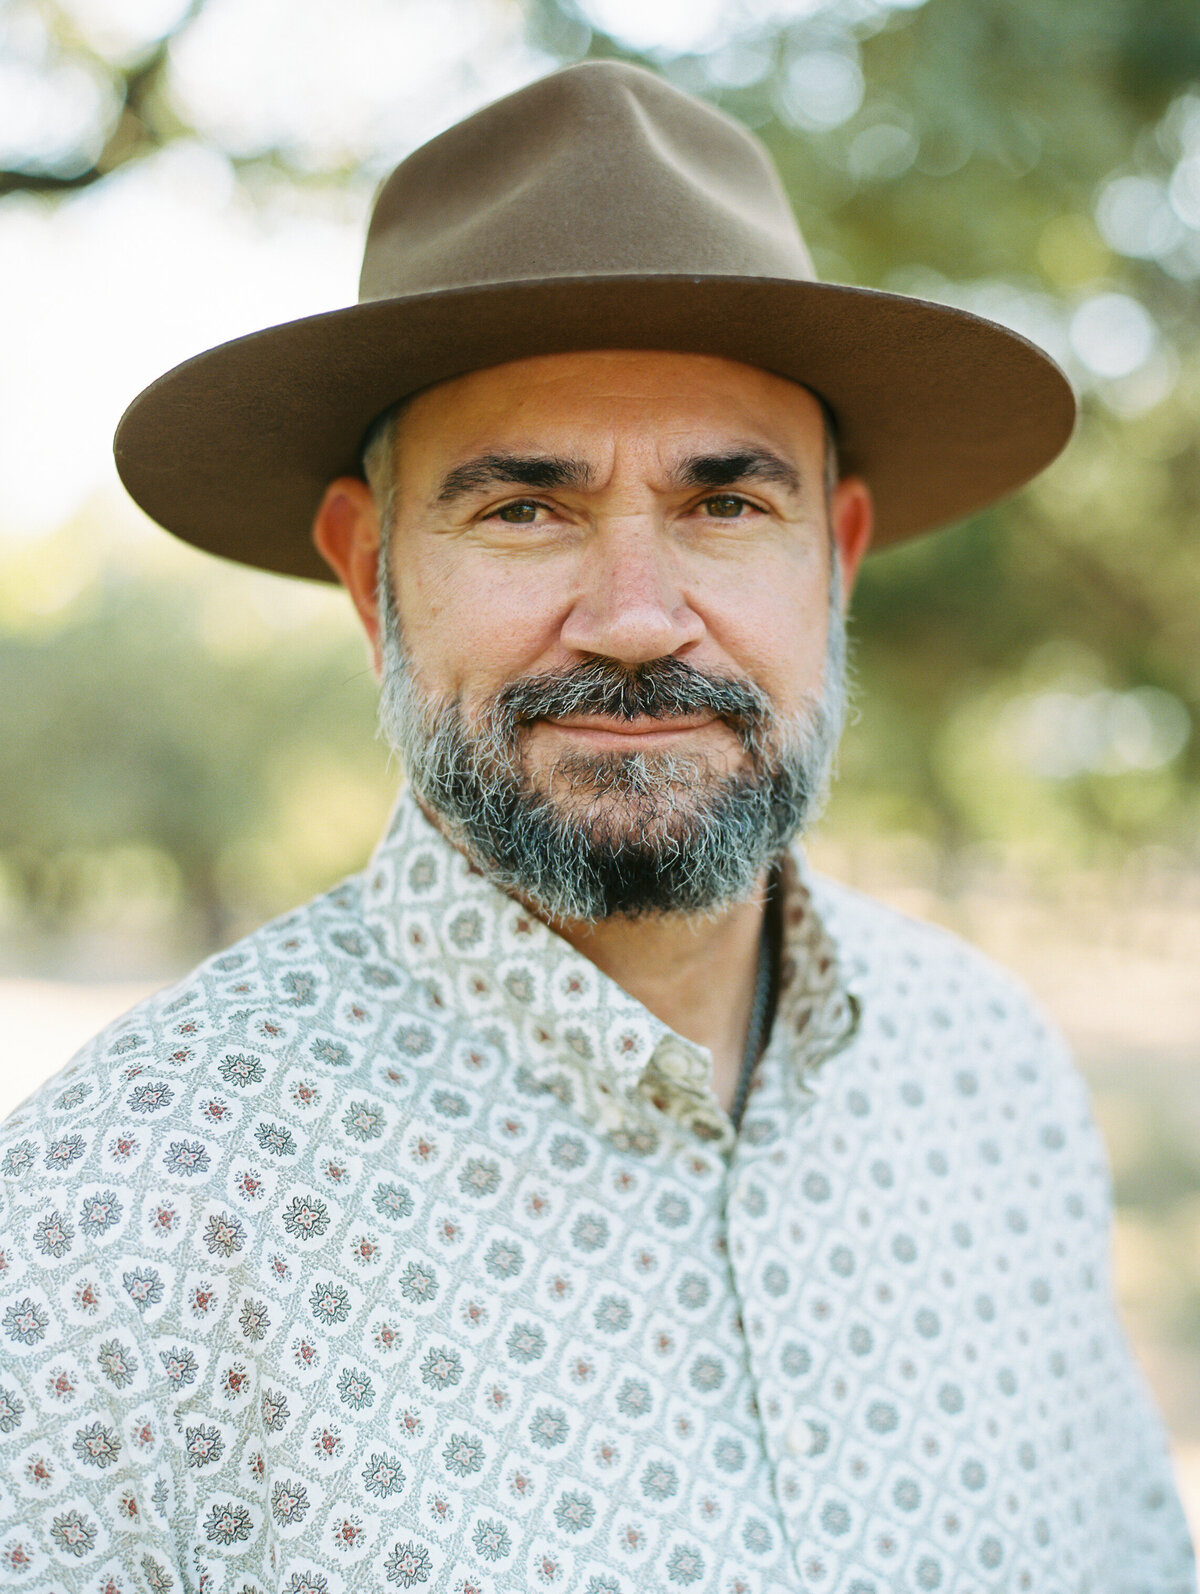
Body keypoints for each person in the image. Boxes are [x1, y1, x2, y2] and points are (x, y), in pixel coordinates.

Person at [0, 59, 1193, 1594]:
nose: (636, 618)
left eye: (724, 505)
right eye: (525, 508)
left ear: (835, 557)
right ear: (370, 574)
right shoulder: (107, 1225)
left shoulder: (996, 1076)